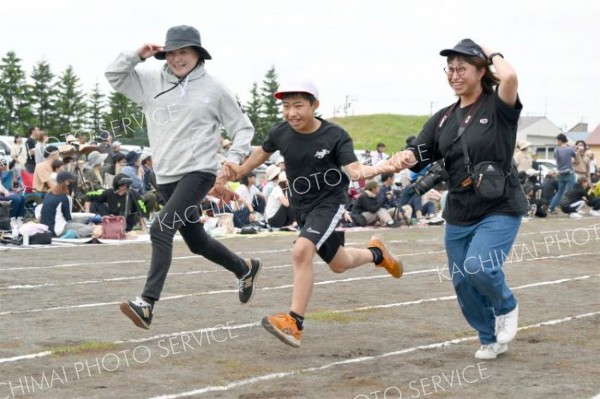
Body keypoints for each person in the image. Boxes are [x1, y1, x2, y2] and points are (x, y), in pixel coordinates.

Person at [224, 80, 402, 348]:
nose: (291, 113)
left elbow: (354, 171)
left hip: (329, 204)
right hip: (301, 206)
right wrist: (240, 169)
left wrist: (385, 166)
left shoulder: (335, 136)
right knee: (339, 263)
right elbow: (263, 151)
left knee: (301, 250)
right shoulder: (281, 131)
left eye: (298, 106)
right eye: (286, 106)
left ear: (314, 106)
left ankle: (294, 322)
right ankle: (378, 253)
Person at [106, 24, 260, 330]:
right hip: (165, 175)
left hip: (199, 170)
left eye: (184, 52)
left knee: (161, 228)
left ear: (197, 54)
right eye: (172, 52)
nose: (177, 58)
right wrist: (137, 55)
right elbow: (114, 75)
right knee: (197, 241)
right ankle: (244, 268)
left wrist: (231, 161)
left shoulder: (214, 88)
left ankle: (147, 303)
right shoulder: (149, 80)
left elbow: (243, 128)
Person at [388, 39, 527, 359]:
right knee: (463, 282)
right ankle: (488, 337)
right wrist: (387, 164)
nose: (454, 74)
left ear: (481, 71)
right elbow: (418, 152)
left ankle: (506, 306)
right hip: (460, 210)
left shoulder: (498, 106)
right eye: (449, 69)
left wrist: (492, 52)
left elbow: (509, 78)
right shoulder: (443, 118)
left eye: (462, 68)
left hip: (499, 205)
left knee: (480, 267)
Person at [39, 171, 94, 238]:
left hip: (46, 229)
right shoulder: (65, 198)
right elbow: (68, 218)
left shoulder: (48, 194)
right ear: (67, 182)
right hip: (58, 230)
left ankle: (72, 234)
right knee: (91, 228)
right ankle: (74, 235)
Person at [548, 134, 576, 214]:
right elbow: (576, 158)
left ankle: (551, 208)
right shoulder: (570, 149)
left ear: (560, 140)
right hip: (569, 173)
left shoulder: (556, 150)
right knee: (570, 192)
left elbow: (557, 160)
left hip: (560, 174)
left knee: (559, 192)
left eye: (557, 140)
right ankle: (570, 209)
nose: (557, 142)